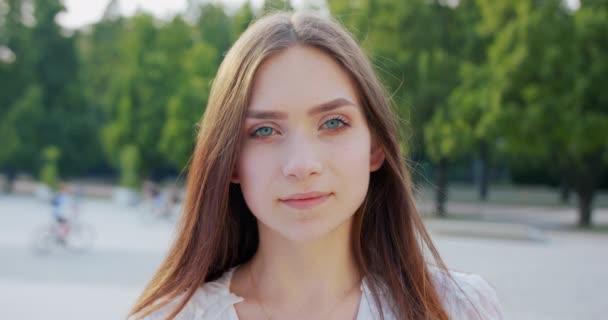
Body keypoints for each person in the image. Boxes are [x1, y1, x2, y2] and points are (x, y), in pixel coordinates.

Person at [129, 11, 504, 320]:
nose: (302, 165)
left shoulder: (458, 309)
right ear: (230, 162)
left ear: (376, 146)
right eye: (263, 130)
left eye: (333, 123)